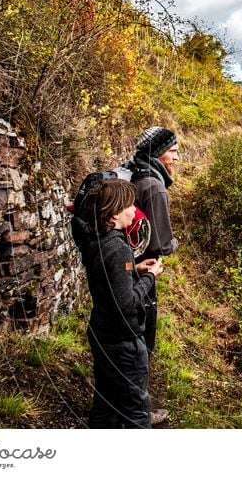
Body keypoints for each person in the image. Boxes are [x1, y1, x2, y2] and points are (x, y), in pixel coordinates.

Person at [77, 178, 163, 428]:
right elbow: (126, 303)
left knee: (104, 400)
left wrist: (133, 270)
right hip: (122, 341)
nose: (133, 211)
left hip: (102, 334)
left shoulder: (95, 239)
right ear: (114, 213)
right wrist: (149, 276)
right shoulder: (118, 249)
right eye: (129, 205)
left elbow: (106, 276)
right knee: (136, 410)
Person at [125, 127, 180, 354]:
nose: (176, 157)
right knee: (142, 325)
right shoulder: (155, 187)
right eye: (173, 151)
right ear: (157, 152)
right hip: (143, 267)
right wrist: (175, 242)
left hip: (126, 262)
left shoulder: (134, 170)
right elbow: (161, 245)